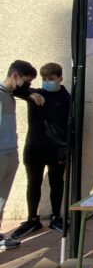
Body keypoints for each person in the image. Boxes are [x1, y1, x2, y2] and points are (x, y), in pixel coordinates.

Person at [11, 63, 70, 240]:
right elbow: (13, 88)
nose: (46, 82)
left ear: (60, 78)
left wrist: (65, 149)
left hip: (57, 149)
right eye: (44, 79)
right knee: (33, 182)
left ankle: (56, 216)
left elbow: (70, 126)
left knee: (57, 182)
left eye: (50, 79)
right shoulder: (36, 94)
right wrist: (30, 93)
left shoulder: (67, 98)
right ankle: (32, 219)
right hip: (35, 147)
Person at [1, 60, 37, 250]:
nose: (27, 85)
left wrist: (30, 93)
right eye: (26, 81)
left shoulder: (10, 95)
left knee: (1, 197)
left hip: (10, 152)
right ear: (15, 76)